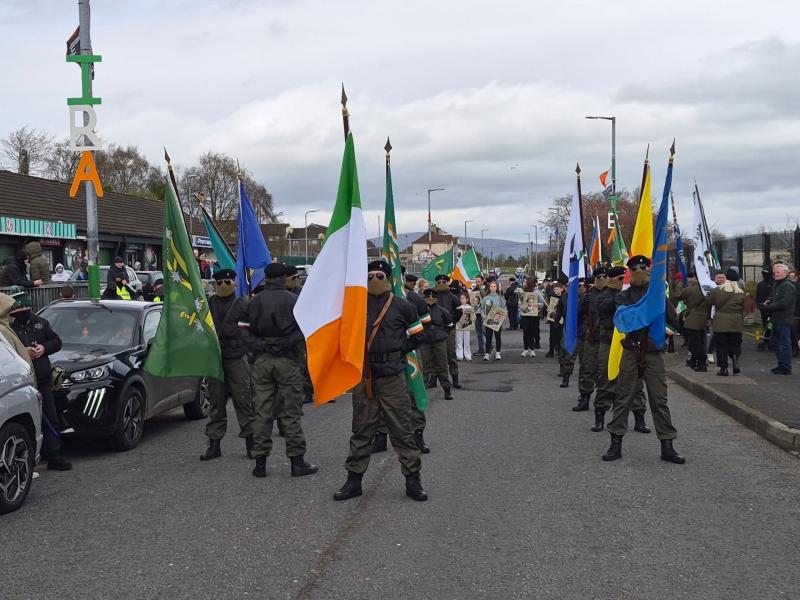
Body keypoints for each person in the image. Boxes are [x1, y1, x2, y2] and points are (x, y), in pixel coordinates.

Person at [333, 260, 427, 502]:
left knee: (402, 429)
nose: (374, 279)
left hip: (392, 377)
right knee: (361, 429)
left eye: (379, 275)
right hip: (365, 377)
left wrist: (398, 349)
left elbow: (418, 335)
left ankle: (413, 480)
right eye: (370, 275)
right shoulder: (356, 305)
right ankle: (354, 481)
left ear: (388, 277)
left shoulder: (402, 306)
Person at [603, 255, 684, 464]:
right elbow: (624, 319)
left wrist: (660, 333)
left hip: (653, 352)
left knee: (659, 399)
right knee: (623, 397)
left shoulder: (658, 296)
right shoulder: (623, 296)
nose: (640, 271)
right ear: (629, 272)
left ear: (650, 269)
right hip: (631, 350)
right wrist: (647, 312)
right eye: (635, 269)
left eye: (643, 267)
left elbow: (674, 322)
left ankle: (667, 445)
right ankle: (615, 443)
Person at [246, 262, 318, 478]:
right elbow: (304, 329)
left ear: (266, 278)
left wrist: (261, 345)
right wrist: (284, 343)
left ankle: (260, 464)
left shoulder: (253, 301)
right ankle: (297, 462)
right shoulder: (294, 301)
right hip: (288, 359)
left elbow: (243, 330)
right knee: (291, 412)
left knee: (262, 412)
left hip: (262, 360)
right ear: (283, 278)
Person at [8, 288, 71, 471]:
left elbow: (56, 342)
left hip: (42, 380)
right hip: (21, 381)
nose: (23, 313)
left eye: (25, 309)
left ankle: (54, 455)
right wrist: (24, 352)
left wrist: (43, 348)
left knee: (50, 417)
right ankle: (26, 459)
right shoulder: (9, 329)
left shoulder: (41, 323)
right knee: (27, 421)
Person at [199, 269, 257, 461]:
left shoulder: (243, 304)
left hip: (237, 357)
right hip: (216, 358)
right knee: (216, 402)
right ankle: (214, 444)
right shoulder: (209, 303)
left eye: (227, 281)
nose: (223, 285)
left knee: (244, 400)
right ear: (215, 284)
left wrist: (249, 350)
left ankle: (251, 443)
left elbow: (252, 329)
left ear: (234, 283)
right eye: (220, 282)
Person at [705, 268, 745, 376]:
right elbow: (744, 308)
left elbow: (708, 301)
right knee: (735, 344)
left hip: (720, 322)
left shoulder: (717, 291)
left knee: (721, 346)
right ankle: (735, 358)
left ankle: (724, 369)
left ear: (726, 278)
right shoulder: (741, 292)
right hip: (736, 322)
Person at [758, 263, 796, 375]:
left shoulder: (788, 286)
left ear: (785, 273)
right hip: (775, 318)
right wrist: (768, 302)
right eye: (775, 272)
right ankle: (781, 364)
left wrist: (769, 307)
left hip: (784, 319)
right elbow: (775, 298)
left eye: (778, 272)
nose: (776, 274)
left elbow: (784, 303)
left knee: (784, 343)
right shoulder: (776, 284)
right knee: (774, 342)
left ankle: (785, 366)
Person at [573, 271, 602, 410]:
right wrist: (584, 304)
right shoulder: (586, 297)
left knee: (607, 371)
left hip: (607, 338)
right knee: (587, 368)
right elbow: (578, 316)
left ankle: (608, 399)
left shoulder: (613, 295)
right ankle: (584, 398)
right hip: (590, 337)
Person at [421, 288, 454, 399]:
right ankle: (422, 393)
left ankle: (447, 390)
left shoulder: (442, 311)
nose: (430, 298)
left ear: (436, 298)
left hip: (439, 341)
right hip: (425, 340)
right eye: (428, 297)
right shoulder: (420, 311)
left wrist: (443, 334)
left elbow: (450, 325)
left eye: (433, 297)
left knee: (442, 365)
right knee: (425, 367)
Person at [675, 270, 710, 372]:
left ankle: (701, 362)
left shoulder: (689, 289)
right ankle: (695, 361)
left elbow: (677, 296)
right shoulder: (707, 289)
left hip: (692, 319)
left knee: (695, 343)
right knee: (700, 341)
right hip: (704, 319)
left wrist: (680, 284)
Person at [433, 274, 462, 388]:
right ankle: (433, 379)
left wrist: (452, 322)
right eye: (439, 282)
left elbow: (459, 312)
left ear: (447, 283)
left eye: (443, 282)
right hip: (435, 331)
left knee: (451, 355)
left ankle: (455, 378)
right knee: (435, 356)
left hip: (448, 330)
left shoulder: (453, 297)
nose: (441, 284)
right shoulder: (432, 296)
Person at [480, 280, 506, 361]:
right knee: (488, 337)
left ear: (497, 288)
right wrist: (483, 315)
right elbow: (482, 308)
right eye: (491, 286)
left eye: (494, 286)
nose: (493, 288)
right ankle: (487, 353)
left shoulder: (500, 298)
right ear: (489, 288)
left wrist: (503, 316)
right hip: (488, 320)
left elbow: (504, 308)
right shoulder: (485, 298)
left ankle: (498, 352)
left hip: (498, 320)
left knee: (498, 336)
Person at [519, 276, 540, 357]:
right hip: (525, 314)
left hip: (534, 315)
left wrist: (537, 305)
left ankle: (532, 349)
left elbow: (542, 303)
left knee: (532, 332)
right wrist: (520, 305)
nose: (524, 283)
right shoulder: (523, 292)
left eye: (526, 282)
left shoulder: (537, 292)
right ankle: (525, 349)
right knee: (525, 332)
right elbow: (520, 302)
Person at [755, 267, 773, 351]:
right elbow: (758, 295)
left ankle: (768, 340)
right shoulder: (761, 284)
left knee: (770, 325)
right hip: (763, 309)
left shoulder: (774, 284)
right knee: (765, 325)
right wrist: (759, 304)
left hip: (771, 309)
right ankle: (766, 340)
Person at [544, 282, 563, 358]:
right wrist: (548, 310)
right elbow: (550, 306)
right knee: (552, 336)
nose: (555, 291)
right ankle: (551, 351)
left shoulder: (564, 297)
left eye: (557, 289)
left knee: (560, 336)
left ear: (561, 289)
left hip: (561, 319)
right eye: (555, 289)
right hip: (553, 319)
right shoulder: (552, 297)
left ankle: (559, 350)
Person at [455, 292, 473, 362]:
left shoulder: (470, 308)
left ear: (467, 299)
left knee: (466, 341)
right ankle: (459, 355)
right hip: (459, 326)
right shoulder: (458, 308)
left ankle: (468, 355)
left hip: (467, 326)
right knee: (459, 341)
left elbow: (473, 318)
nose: (462, 300)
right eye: (461, 298)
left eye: (463, 298)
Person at [472, 275, 487, 354]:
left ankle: (490, 346)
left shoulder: (487, 289)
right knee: (479, 333)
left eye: (479, 281)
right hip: (477, 314)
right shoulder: (474, 290)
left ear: (483, 281)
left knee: (485, 332)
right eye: (476, 281)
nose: (477, 283)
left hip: (485, 314)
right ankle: (481, 349)